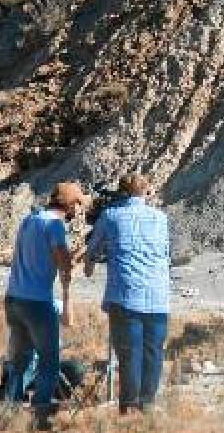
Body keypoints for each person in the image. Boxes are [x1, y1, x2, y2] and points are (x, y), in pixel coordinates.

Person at [1, 182, 85, 431]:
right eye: (77, 204)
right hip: (37, 302)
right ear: (69, 205)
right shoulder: (55, 225)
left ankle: (8, 415)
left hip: (14, 297)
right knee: (50, 362)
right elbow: (63, 264)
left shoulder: (30, 219)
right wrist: (73, 267)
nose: (78, 209)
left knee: (20, 362)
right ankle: (40, 419)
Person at [84, 174, 169, 415]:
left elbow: (92, 250)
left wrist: (88, 266)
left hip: (125, 295)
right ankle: (148, 407)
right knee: (153, 354)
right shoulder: (160, 218)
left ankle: (129, 410)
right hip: (158, 297)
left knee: (130, 354)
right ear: (147, 192)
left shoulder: (111, 216)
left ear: (121, 192)